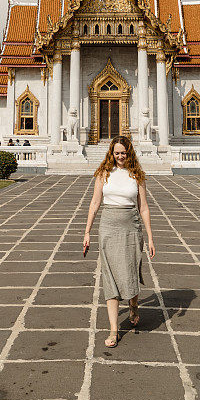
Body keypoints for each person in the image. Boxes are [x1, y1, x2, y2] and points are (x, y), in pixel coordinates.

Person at [83, 135, 155, 348]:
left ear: (129, 153)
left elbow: (144, 208)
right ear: (111, 154)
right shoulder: (103, 173)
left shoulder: (137, 175)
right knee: (111, 276)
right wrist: (86, 232)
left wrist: (151, 237)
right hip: (108, 227)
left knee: (130, 272)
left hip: (131, 227)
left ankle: (133, 303)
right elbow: (95, 203)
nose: (121, 156)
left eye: (124, 152)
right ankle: (114, 329)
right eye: (117, 153)